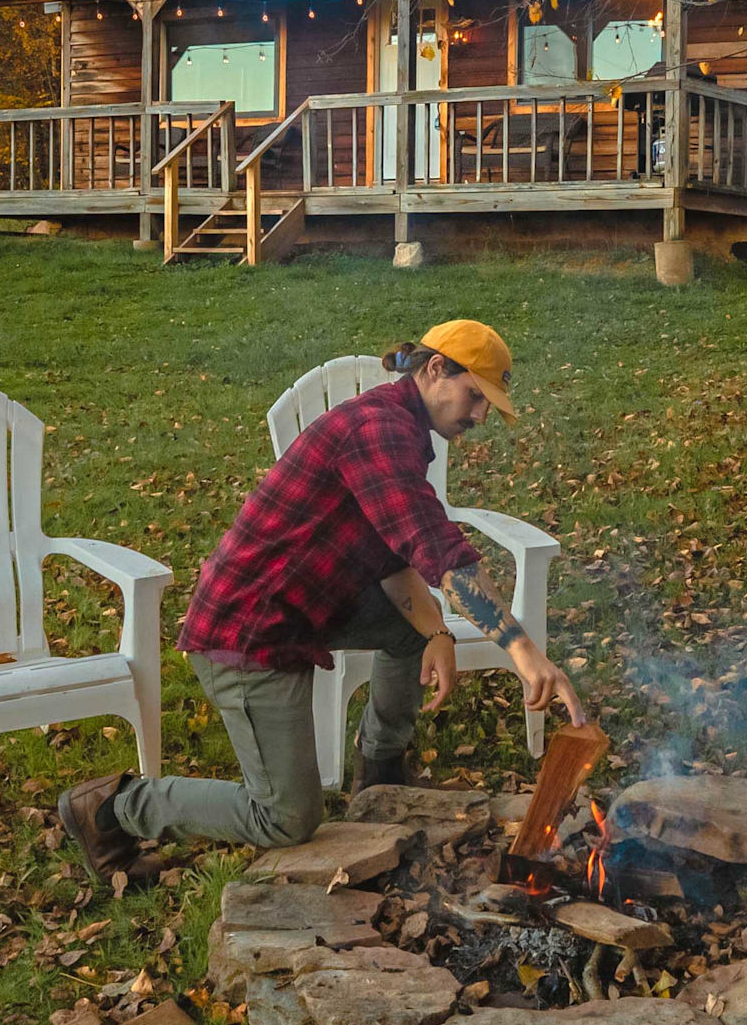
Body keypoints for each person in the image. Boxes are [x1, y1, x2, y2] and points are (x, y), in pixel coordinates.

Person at [57, 319, 585, 882]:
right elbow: (437, 549)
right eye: (475, 395)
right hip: (250, 631)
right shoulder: (376, 430)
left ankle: (380, 780)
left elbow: (397, 554)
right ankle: (111, 807)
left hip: (309, 605)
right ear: (435, 370)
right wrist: (524, 651)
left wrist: (436, 632)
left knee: (416, 629)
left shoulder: (402, 427)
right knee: (287, 818)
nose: (480, 416)